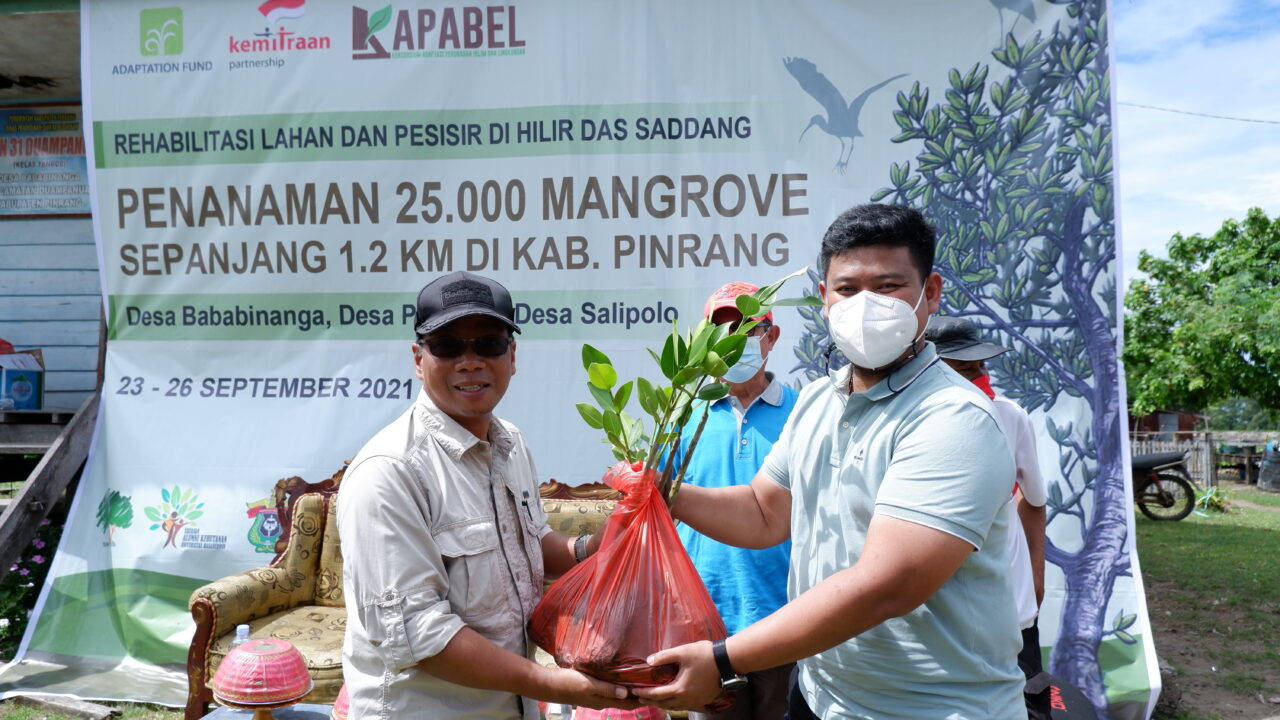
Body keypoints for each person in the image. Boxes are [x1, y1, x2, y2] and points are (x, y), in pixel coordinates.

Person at [633, 203, 1024, 719]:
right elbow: (763, 510)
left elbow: (890, 583)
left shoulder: (953, 418)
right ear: (824, 298)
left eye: (888, 287)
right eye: (847, 289)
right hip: (822, 696)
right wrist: (664, 492)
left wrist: (724, 659)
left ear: (930, 293)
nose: (866, 306)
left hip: (932, 707)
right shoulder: (819, 400)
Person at [337, 271, 638, 719]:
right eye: (448, 346)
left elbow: (528, 543)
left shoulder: (511, 444)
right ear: (418, 359)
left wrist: (593, 549)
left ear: (512, 356)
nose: (470, 360)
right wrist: (556, 684)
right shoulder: (389, 473)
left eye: (489, 344)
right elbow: (422, 636)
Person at [665, 281, 800, 720]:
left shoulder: (806, 415)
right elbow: (660, 511)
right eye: (721, 331)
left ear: (772, 338)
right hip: (708, 621)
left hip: (790, 619)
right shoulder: (682, 417)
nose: (733, 341)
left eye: (747, 329)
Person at [925, 315, 1052, 720]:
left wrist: (1035, 575)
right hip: (939, 620)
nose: (980, 376)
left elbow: (1033, 502)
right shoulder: (906, 423)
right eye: (965, 368)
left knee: (1024, 706)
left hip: (1010, 610)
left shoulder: (1010, 416)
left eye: (981, 366)